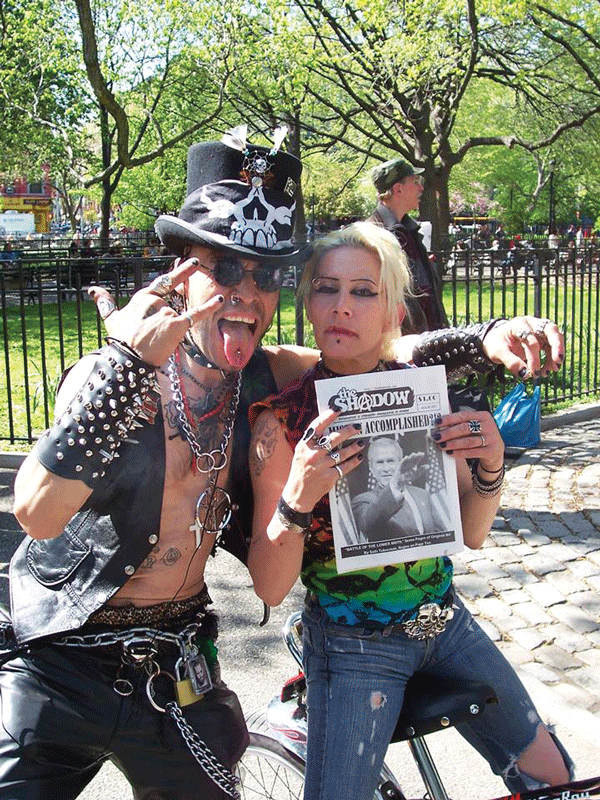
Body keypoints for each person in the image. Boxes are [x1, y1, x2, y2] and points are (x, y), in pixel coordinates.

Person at [3, 127, 565, 799]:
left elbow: (378, 353)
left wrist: (484, 338)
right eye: (225, 268)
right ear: (180, 268)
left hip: (175, 667)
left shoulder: (269, 376)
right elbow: (37, 513)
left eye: (265, 273)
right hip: (60, 663)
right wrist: (127, 365)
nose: (246, 291)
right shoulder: (113, 375)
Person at [247, 221, 573, 800]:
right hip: (354, 643)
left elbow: (470, 534)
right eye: (326, 289)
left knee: (554, 777)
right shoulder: (282, 422)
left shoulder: (426, 396)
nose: (341, 306)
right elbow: (270, 589)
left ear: (395, 310)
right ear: (308, 303)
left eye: (363, 291)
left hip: (442, 619)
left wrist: (492, 466)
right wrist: (297, 497)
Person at [368, 157, 449, 334]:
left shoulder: (409, 231)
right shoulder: (373, 235)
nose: (421, 188)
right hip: (398, 346)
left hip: (424, 342)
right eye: (415, 181)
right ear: (398, 189)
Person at [351, 438, 450, 542]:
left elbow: (439, 533)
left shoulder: (422, 494)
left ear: (400, 462)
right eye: (380, 462)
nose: (386, 468)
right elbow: (368, 525)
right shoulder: (362, 500)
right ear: (371, 467)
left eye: (390, 461)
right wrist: (395, 484)